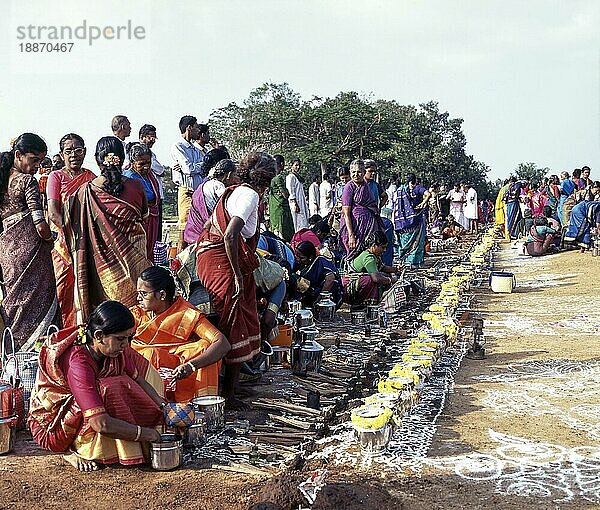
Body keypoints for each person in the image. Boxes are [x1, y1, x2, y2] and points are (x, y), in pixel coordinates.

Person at [28, 301, 165, 472]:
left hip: (91, 411)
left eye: (129, 338)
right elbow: (101, 424)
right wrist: (147, 434)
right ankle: (75, 450)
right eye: (121, 339)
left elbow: (140, 381)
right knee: (109, 387)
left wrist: (164, 408)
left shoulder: (113, 350)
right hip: (54, 427)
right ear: (99, 335)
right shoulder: (77, 362)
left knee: (122, 381)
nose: (126, 345)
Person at [196, 152, 275, 409]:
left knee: (238, 317)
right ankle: (228, 395)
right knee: (233, 321)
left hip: (216, 257)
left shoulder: (235, 190)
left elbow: (210, 223)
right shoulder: (249, 195)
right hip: (223, 262)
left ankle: (233, 386)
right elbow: (230, 235)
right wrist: (238, 274)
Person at [64, 136, 151, 323]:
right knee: (136, 316)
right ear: (123, 158)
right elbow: (144, 218)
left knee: (107, 319)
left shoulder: (84, 192)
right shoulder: (136, 186)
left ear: (97, 159)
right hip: (135, 261)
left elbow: (71, 226)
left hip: (102, 269)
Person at [130, 266, 230, 402]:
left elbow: (222, 343)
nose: (138, 298)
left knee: (204, 347)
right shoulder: (137, 314)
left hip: (178, 369)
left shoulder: (187, 314)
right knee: (150, 353)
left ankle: (203, 406)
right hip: (144, 373)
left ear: (162, 295)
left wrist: (191, 366)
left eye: (143, 294)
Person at [0, 133, 60, 351]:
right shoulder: (27, 181)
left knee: (15, 306)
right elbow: (41, 225)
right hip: (31, 257)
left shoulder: (2, 181)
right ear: (18, 155)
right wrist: (52, 239)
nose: (37, 166)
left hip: (7, 255)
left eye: (40, 161)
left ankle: (13, 357)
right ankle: (40, 358)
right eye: (34, 160)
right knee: (39, 305)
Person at [47, 134, 96, 328]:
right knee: (63, 288)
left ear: (84, 151)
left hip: (86, 241)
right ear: (62, 154)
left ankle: (83, 329)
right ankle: (62, 330)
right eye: (69, 151)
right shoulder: (56, 176)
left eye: (78, 150)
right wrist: (71, 235)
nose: (74, 154)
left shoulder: (91, 177)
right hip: (63, 244)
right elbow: (53, 212)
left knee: (85, 287)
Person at [171, 116, 209, 250]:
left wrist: (195, 166)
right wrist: (196, 166)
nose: (198, 130)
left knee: (197, 225)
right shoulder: (178, 147)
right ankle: (180, 259)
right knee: (184, 226)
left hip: (198, 193)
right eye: (196, 127)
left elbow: (204, 167)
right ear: (189, 128)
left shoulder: (195, 149)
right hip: (187, 190)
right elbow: (189, 169)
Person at [184, 151, 234, 244]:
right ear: (229, 175)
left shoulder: (203, 184)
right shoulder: (218, 186)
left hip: (192, 235)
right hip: (206, 237)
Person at [339, 159, 384, 261]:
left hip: (368, 228)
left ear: (363, 173)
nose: (356, 174)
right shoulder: (349, 187)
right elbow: (346, 213)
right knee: (354, 255)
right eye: (353, 172)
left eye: (359, 172)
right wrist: (351, 235)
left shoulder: (366, 186)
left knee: (369, 254)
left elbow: (372, 204)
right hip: (355, 229)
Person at [342, 231, 400, 306]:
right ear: (374, 245)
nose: (384, 250)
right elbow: (376, 278)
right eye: (382, 247)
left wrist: (396, 269)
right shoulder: (368, 258)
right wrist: (391, 280)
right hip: (348, 289)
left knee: (384, 276)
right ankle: (365, 306)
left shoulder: (375, 256)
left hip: (355, 285)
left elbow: (383, 268)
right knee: (371, 280)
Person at [124, 143, 160, 261]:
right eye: (141, 164)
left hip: (152, 216)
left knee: (149, 249)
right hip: (139, 219)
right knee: (139, 249)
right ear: (133, 163)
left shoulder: (150, 176)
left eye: (148, 163)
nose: (146, 167)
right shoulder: (129, 178)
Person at [394, 173, 431, 268]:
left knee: (404, 240)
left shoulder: (399, 190)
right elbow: (428, 194)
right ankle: (414, 262)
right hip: (416, 219)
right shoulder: (418, 188)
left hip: (402, 222)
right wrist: (423, 203)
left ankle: (404, 261)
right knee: (418, 242)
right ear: (415, 181)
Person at [292, 241, 342, 308]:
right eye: (296, 256)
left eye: (301, 258)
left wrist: (320, 298)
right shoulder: (300, 264)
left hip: (324, 295)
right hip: (310, 294)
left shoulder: (321, 261)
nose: (298, 259)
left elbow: (330, 279)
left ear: (310, 257)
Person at [139, 124, 165, 240]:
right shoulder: (138, 152)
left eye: (154, 138)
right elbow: (159, 170)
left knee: (156, 232)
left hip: (156, 195)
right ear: (142, 137)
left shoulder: (152, 154)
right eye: (150, 137)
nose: (153, 140)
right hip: (146, 197)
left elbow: (161, 170)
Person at [564, 182, 600, 251]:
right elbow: (598, 224)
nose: (597, 192)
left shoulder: (596, 197)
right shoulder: (584, 193)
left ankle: (580, 244)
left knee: (581, 227)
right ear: (592, 188)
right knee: (583, 226)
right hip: (576, 209)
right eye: (596, 190)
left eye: (599, 191)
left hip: (579, 210)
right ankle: (582, 244)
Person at [268, 155, 294, 241]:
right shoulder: (279, 177)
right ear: (282, 164)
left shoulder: (270, 177)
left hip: (273, 207)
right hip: (281, 208)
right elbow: (285, 195)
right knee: (284, 232)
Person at [286, 157, 310, 231]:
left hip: (301, 201)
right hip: (295, 203)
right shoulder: (290, 177)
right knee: (297, 221)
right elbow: (291, 191)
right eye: (296, 165)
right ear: (292, 166)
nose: (298, 167)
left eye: (299, 165)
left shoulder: (297, 177)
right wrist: (295, 204)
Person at [330, 166, 350, 230]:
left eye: (346, 178)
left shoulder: (352, 186)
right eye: (342, 178)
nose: (344, 180)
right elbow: (336, 202)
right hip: (338, 213)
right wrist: (332, 214)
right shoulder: (338, 187)